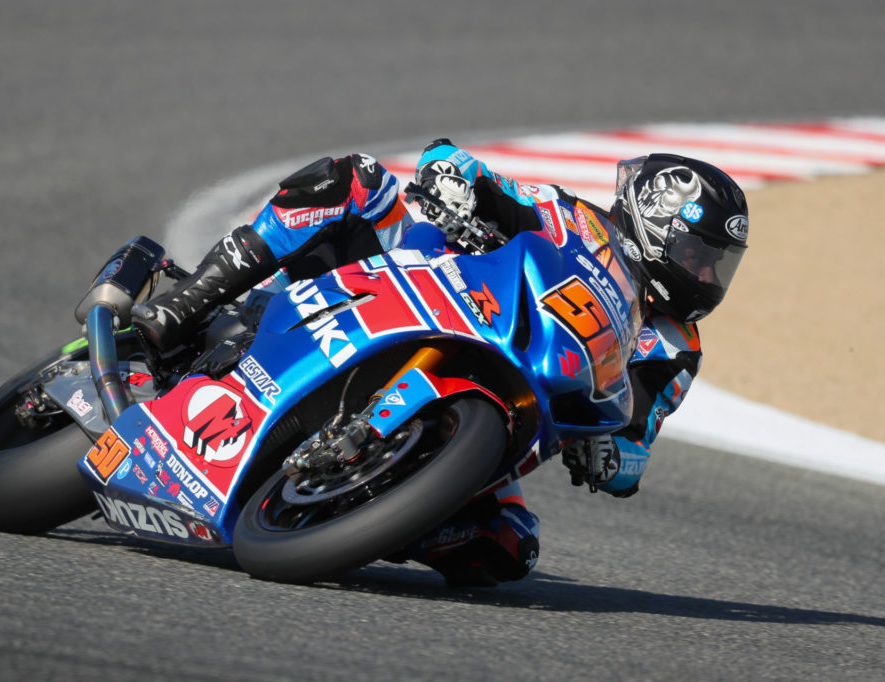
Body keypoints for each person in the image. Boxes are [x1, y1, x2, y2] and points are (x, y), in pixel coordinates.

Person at [131, 139, 748, 586]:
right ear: (656, 225)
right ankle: (190, 303)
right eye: (699, 254)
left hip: (512, 408)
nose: (705, 276)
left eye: (717, 264)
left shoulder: (676, 348)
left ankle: (367, 507)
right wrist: (455, 176)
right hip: (421, 297)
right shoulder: (573, 216)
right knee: (358, 179)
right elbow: (488, 186)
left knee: (506, 549)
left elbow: (637, 440)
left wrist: (611, 455)